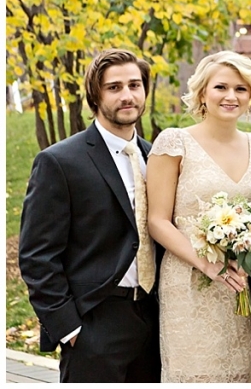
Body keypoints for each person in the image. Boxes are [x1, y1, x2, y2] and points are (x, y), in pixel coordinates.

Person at [18, 49, 161, 382]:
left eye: (134, 85)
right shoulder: (60, 161)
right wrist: (69, 329)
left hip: (154, 322)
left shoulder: (155, 157)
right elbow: (37, 255)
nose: (127, 96)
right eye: (114, 87)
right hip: (95, 323)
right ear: (95, 96)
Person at [146, 51, 251, 382]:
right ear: (203, 92)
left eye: (241, 89)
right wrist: (206, 263)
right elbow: (157, 221)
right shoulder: (175, 142)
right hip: (190, 283)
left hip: (241, 285)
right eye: (221, 87)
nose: (231, 96)